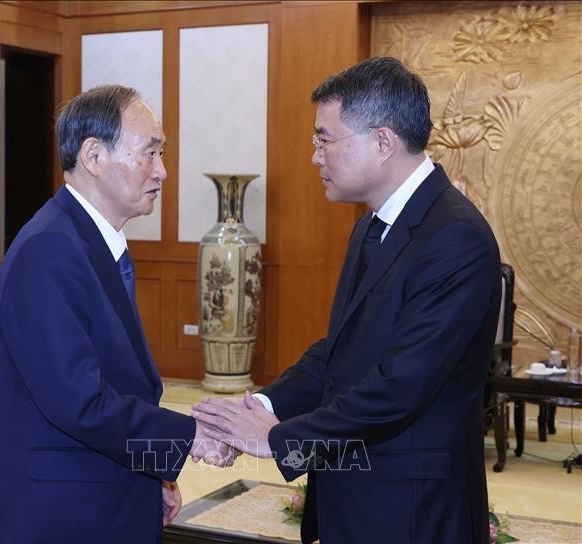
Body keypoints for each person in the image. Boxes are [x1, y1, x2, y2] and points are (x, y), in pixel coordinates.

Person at [193, 56, 501, 544]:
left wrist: (274, 439)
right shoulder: (369, 227)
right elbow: (339, 353)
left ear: (381, 142)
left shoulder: (454, 236)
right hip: (354, 489)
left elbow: (401, 386)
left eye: (324, 139)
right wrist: (262, 403)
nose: (315, 156)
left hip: (411, 507)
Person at [0, 85, 231, 544]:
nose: (163, 171)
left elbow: (119, 382)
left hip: (102, 495)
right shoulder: (50, 249)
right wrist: (189, 436)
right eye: (149, 153)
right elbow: (79, 401)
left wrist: (153, 474)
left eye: (162, 154)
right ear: (93, 155)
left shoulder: (85, 242)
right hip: (59, 518)